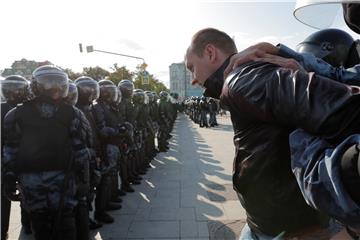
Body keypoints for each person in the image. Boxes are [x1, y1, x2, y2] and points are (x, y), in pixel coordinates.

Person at [185, 28, 360, 239]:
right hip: (270, 225)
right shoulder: (239, 80)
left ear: (211, 52)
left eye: (191, 68)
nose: (193, 79)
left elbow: (343, 112)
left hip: (286, 231)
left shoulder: (243, 78)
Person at [2, 65, 91, 240]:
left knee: (47, 224)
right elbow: (81, 150)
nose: (54, 88)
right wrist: (85, 178)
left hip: (49, 181)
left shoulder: (15, 114)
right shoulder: (73, 113)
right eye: (49, 84)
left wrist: (9, 177)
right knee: (59, 224)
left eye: (57, 83)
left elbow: (10, 151)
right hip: (54, 180)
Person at [1, 75, 30, 239]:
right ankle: (26, 225)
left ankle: (6, 229)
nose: (13, 93)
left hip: (16, 158)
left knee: (16, 194)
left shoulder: (23, 109)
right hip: (19, 158)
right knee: (23, 192)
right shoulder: (26, 109)